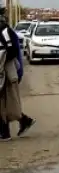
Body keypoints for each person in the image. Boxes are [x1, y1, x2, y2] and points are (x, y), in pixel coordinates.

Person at [0, 7, 35, 141]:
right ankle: (23, 121)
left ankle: (5, 131)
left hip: (6, 72)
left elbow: (13, 52)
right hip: (6, 71)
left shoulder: (5, 31)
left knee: (7, 102)